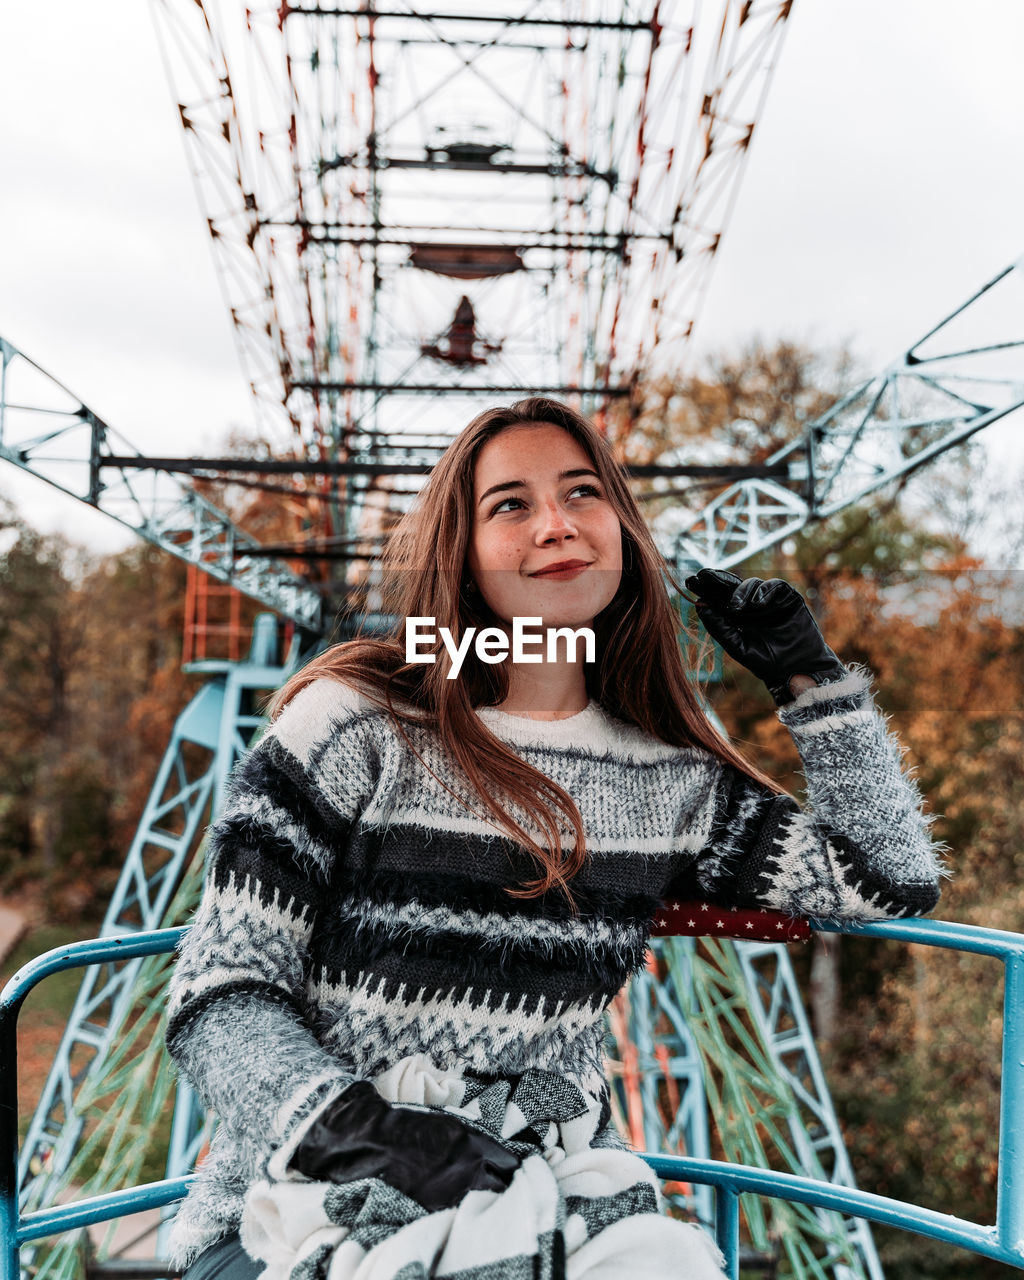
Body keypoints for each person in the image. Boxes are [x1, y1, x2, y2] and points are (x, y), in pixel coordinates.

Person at [164, 397, 944, 1280]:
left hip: (544, 1185)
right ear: (458, 555)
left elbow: (890, 881)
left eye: (583, 493)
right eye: (511, 505)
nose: (557, 524)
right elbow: (218, 990)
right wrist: (365, 1134)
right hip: (293, 1206)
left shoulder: (665, 777)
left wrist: (810, 678)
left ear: (621, 527)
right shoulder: (356, 724)